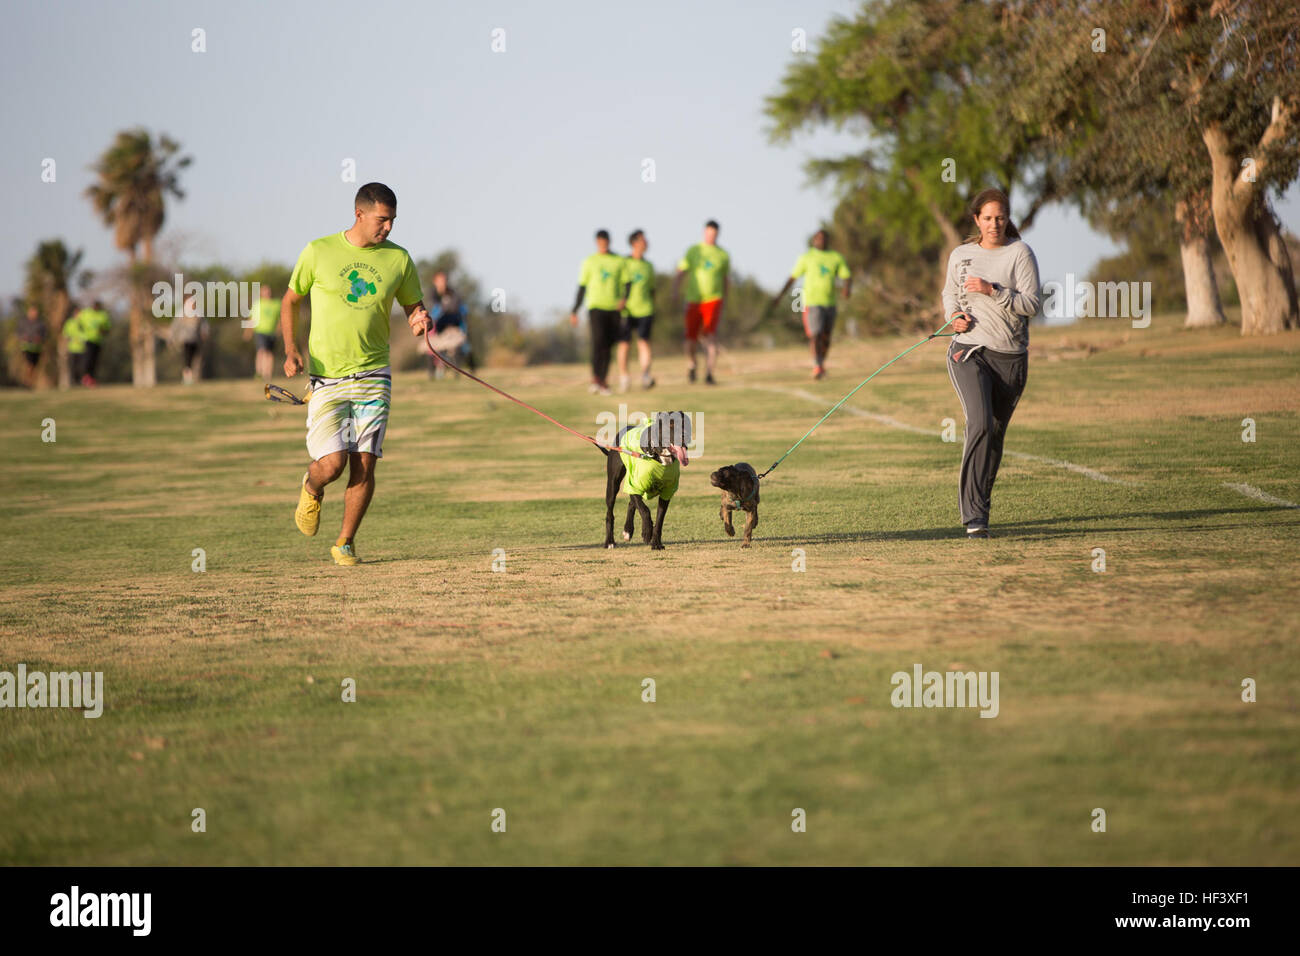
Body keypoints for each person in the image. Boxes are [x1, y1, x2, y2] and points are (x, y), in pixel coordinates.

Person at [281, 182, 430, 567]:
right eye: (382, 220)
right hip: (327, 378)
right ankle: (311, 487)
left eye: (393, 221)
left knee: (365, 459)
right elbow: (291, 299)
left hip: (374, 374)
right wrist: (291, 349)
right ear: (359, 214)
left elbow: (414, 304)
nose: (389, 228)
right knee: (332, 464)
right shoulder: (319, 251)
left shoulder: (399, 259)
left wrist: (419, 319)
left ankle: (345, 542)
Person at [942, 187, 1040, 539]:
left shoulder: (1020, 253)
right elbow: (950, 293)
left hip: (1011, 358)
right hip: (968, 351)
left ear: (1008, 218)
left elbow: (1031, 304)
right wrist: (954, 315)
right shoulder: (961, 254)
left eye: (1000, 217)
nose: (994, 224)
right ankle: (974, 518)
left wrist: (993, 290)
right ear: (977, 220)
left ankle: (981, 507)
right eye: (988, 218)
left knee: (994, 436)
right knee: (980, 423)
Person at [769, 229, 851, 379]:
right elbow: (792, 278)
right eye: (817, 238)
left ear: (827, 240)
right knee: (816, 335)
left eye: (823, 238)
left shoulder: (836, 257)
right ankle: (817, 365)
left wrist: (847, 289)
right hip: (811, 302)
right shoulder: (806, 258)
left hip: (830, 303)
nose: (820, 241)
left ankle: (821, 363)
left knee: (826, 337)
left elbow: (846, 275)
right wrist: (779, 296)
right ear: (814, 241)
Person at [673, 219, 729, 385]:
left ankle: (709, 373)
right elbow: (681, 271)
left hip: (713, 299)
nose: (712, 236)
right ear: (705, 232)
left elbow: (726, 279)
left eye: (715, 234)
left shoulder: (723, 255)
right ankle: (692, 365)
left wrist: (725, 298)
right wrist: (675, 290)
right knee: (690, 338)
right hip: (693, 300)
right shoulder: (694, 250)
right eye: (709, 233)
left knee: (711, 336)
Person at [569, 229, 623, 395]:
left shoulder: (619, 261)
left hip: (614, 308)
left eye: (605, 241)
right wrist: (575, 310)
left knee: (608, 345)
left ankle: (603, 380)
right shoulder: (589, 262)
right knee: (598, 342)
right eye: (600, 241)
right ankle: (596, 379)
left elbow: (627, 283)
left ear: (609, 241)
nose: (603, 244)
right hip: (595, 307)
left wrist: (624, 299)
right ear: (596, 242)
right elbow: (582, 287)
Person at [615, 229, 656, 391]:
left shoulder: (648, 265)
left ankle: (646, 376)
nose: (646, 242)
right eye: (642, 240)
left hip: (645, 309)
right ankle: (624, 377)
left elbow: (652, 289)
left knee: (643, 342)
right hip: (627, 311)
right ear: (634, 243)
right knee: (624, 344)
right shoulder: (624, 263)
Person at [426, 271, 473, 379]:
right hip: (437, 329)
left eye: (444, 280)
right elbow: (433, 311)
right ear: (435, 282)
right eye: (440, 281)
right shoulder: (432, 295)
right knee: (430, 347)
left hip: (453, 327)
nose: (443, 283)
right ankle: (432, 374)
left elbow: (457, 309)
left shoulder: (453, 293)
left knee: (461, 347)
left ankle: (462, 372)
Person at [170, 293, 210, 384]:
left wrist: (205, 333)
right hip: (185, 339)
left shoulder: (198, 313)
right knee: (187, 358)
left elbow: (204, 325)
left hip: (195, 339)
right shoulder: (181, 313)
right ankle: (187, 377)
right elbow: (175, 326)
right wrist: (172, 337)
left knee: (194, 358)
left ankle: (191, 376)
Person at [245, 284, 281, 381]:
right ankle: (259, 372)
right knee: (262, 351)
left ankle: (267, 374)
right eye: (265, 291)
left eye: (268, 291)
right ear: (261, 293)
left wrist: (279, 329)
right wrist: (248, 331)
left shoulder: (276, 304)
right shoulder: (257, 304)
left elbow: (280, 318)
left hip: (271, 332)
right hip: (260, 330)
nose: (267, 293)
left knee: (269, 353)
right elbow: (251, 318)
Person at [70, 300, 111, 386]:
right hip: (87, 340)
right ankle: (85, 377)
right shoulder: (85, 313)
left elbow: (107, 329)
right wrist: (82, 333)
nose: (95, 308)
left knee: (95, 360)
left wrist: (102, 331)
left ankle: (91, 378)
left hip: (98, 340)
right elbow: (78, 323)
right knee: (87, 359)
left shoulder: (103, 315)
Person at [17, 304, 46, 388]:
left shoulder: (41, 323)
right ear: (28, 312)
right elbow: (18, 333)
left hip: (37, 348)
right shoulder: (23, 322)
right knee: (29, 364)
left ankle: (30, 382)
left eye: (35, 312)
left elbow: (44, 334)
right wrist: (23, 338)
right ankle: (26, 382)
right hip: (26, 347)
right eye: (32, 311)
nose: (34, 313)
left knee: (34, 366)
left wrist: (40, 338)